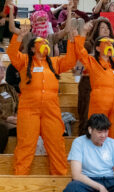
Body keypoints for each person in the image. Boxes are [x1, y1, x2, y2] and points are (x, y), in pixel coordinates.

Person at [7, 20, 76, 175]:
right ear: (32, 48)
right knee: (26, 145)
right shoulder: (24, 61)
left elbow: (71, 61)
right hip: (28, 110)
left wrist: (73, 40)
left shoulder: (55, 62)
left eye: (46, 41)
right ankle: (19, 180)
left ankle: (59, 182)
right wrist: (19, 36)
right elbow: (12, 53)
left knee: (56, 145)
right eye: (40, 42)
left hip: (51, 111)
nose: (45, 43)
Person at [64, 114, 114, 192]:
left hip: (109, 181)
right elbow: (76, 175)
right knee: (73, 187)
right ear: (90, 130)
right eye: (99, 132)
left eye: (106, 131)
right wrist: (100, 187)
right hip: (87, 181)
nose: (103, 135)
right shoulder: (79, 142)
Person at [76, 18, 114, 135]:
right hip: (89, 85)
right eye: (103, 27)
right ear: (96, 30)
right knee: (87, 118)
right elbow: (77, 70)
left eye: (108, 28)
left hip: (107, 88)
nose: (106, 30)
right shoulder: (88, 45)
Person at [0, 61, 18, 153]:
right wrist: (7, 118)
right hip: (3, 122)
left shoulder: (9, 88)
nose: (2, 70)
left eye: (3, 68)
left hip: (13, 122)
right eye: (0, 68)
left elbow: (18, 105)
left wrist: (17, 116)